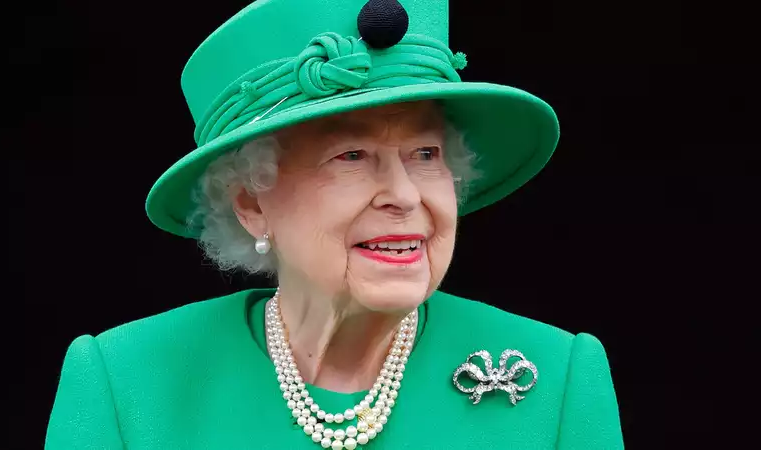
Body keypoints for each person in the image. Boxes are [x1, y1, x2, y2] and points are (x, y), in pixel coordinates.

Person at [45, 0, 623, 448]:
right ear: (251, 202)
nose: (403, 195)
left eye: (426, 154)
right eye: (350, 157)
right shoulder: (124, 383)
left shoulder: (557, 376)